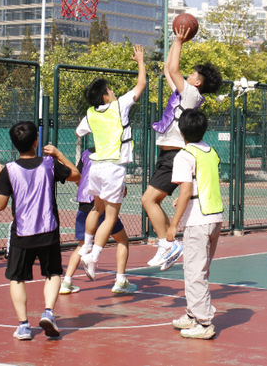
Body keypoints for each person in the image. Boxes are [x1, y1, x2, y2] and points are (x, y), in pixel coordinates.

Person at [0, 121, 80, 340]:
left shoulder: (9, 170)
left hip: (22, 233)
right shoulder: (49, 164)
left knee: (16, 278)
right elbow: (76, 174)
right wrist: (59, 154)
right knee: (53, 273)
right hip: (48, 230)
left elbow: (0, 204)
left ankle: (23, 326)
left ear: (14, 144)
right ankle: (48, 312)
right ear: (36, 142)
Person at [142, 26, 222, 271]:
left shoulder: (191, 94)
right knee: (151, 200)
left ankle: (168, 243)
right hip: (168, 153)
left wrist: (178, 40)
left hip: (174, 154)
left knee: (148, 200)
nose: (188, 74)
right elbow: (169, 69)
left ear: (197, 82)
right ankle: (169, 242)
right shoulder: (183, 93)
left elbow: (174, 70)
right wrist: (175, 44)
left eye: (193, 73)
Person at [75, 45, 146, 281]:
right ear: (106, 95)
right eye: (111, 89)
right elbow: (141, 85)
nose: (114, 91)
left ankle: (86, 246)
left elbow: (78, 131)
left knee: (96, 209)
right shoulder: (119, 106)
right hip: (113, 168)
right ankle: (93, 255)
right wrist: (140, 61)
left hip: (95, 167)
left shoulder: (91, 113)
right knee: (111, 217)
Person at [167, 109, 224, 340]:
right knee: (200, 269)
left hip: (198, 220)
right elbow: (200, 184)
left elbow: (186, 190)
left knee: (194, 272)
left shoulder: (184, 155)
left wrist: (173, 225)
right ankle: (193, 314)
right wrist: (185, 199)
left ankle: (203, 322)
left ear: (181, 132)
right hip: (215, 217)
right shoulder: (210, 151)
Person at [60, 147, 137, 294]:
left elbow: (78, 178)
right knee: (122, 240)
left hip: (84, 202)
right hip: (101, 201)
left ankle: (67, 281)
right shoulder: (112, 152)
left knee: (83, 244)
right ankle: (120, 280)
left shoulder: (86, 153)